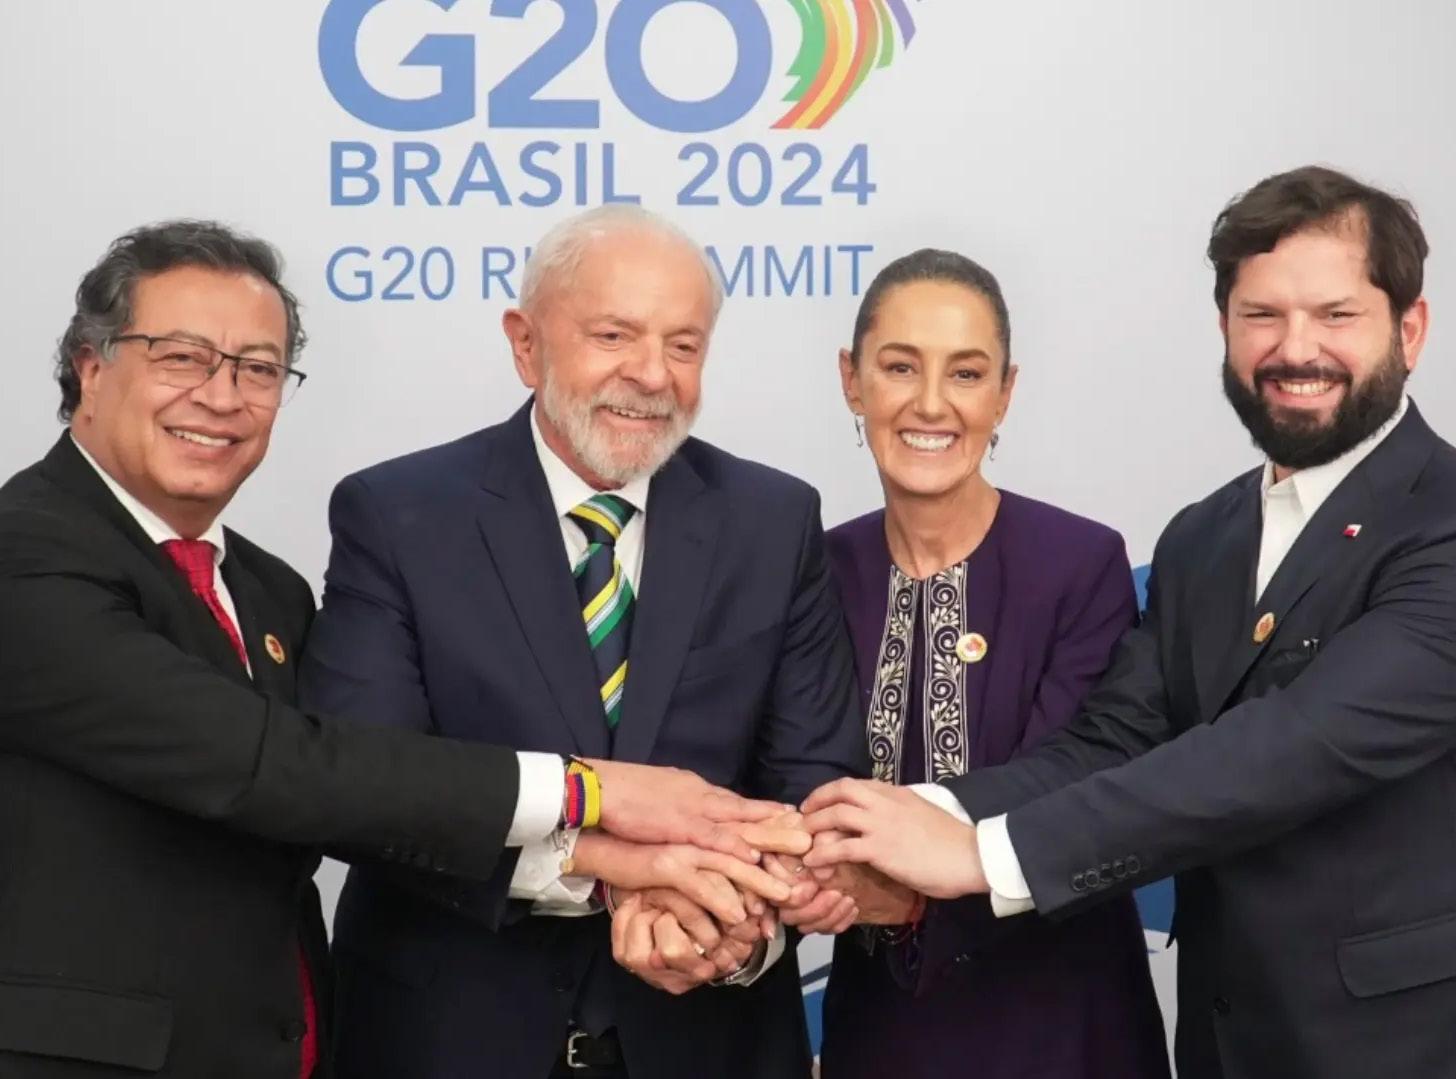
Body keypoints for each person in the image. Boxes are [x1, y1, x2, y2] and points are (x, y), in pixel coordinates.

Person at [0, 221, 793, 1079]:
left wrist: (634, 870)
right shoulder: (25, 552)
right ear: (90, 365)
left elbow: (353, 797)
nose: (222, 396)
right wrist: (593, 794)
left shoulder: (266, 589)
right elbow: (278, 765)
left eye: (258, 368)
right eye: (183, 357)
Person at [802, 166, 1456, 1079]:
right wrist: (913, 814)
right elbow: (1110, 741)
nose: (1295, 347)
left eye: (1336, 315)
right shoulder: (1204, 536)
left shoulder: (1442, 523)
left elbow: (1285, 749)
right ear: (1225, 328)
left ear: (1410, 329)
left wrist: (982, 852)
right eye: (1262, 314)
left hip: (1395, 1046)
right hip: (1221, 1040)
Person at [299, 205, 867, 1079]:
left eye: (684, 345)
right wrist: (603, 868)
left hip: (710, 1037)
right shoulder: (397, 515)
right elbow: (368, 788)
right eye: (614, 335)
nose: (652, 374)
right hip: (451, 1041)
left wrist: (734, 928)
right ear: (525, 344)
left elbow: (812, 782)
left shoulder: (773, 519)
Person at [778, 249, 1166, 1078]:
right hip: (878, 1026)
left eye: (965, 372)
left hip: (1062, 1024)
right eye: (899, 367)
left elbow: (1081, 784)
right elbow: (790, 775)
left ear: (1004, 392)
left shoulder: (1080, 562)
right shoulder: (813, 570)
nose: (931, 403)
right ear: (851, 381)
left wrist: (909, 882)